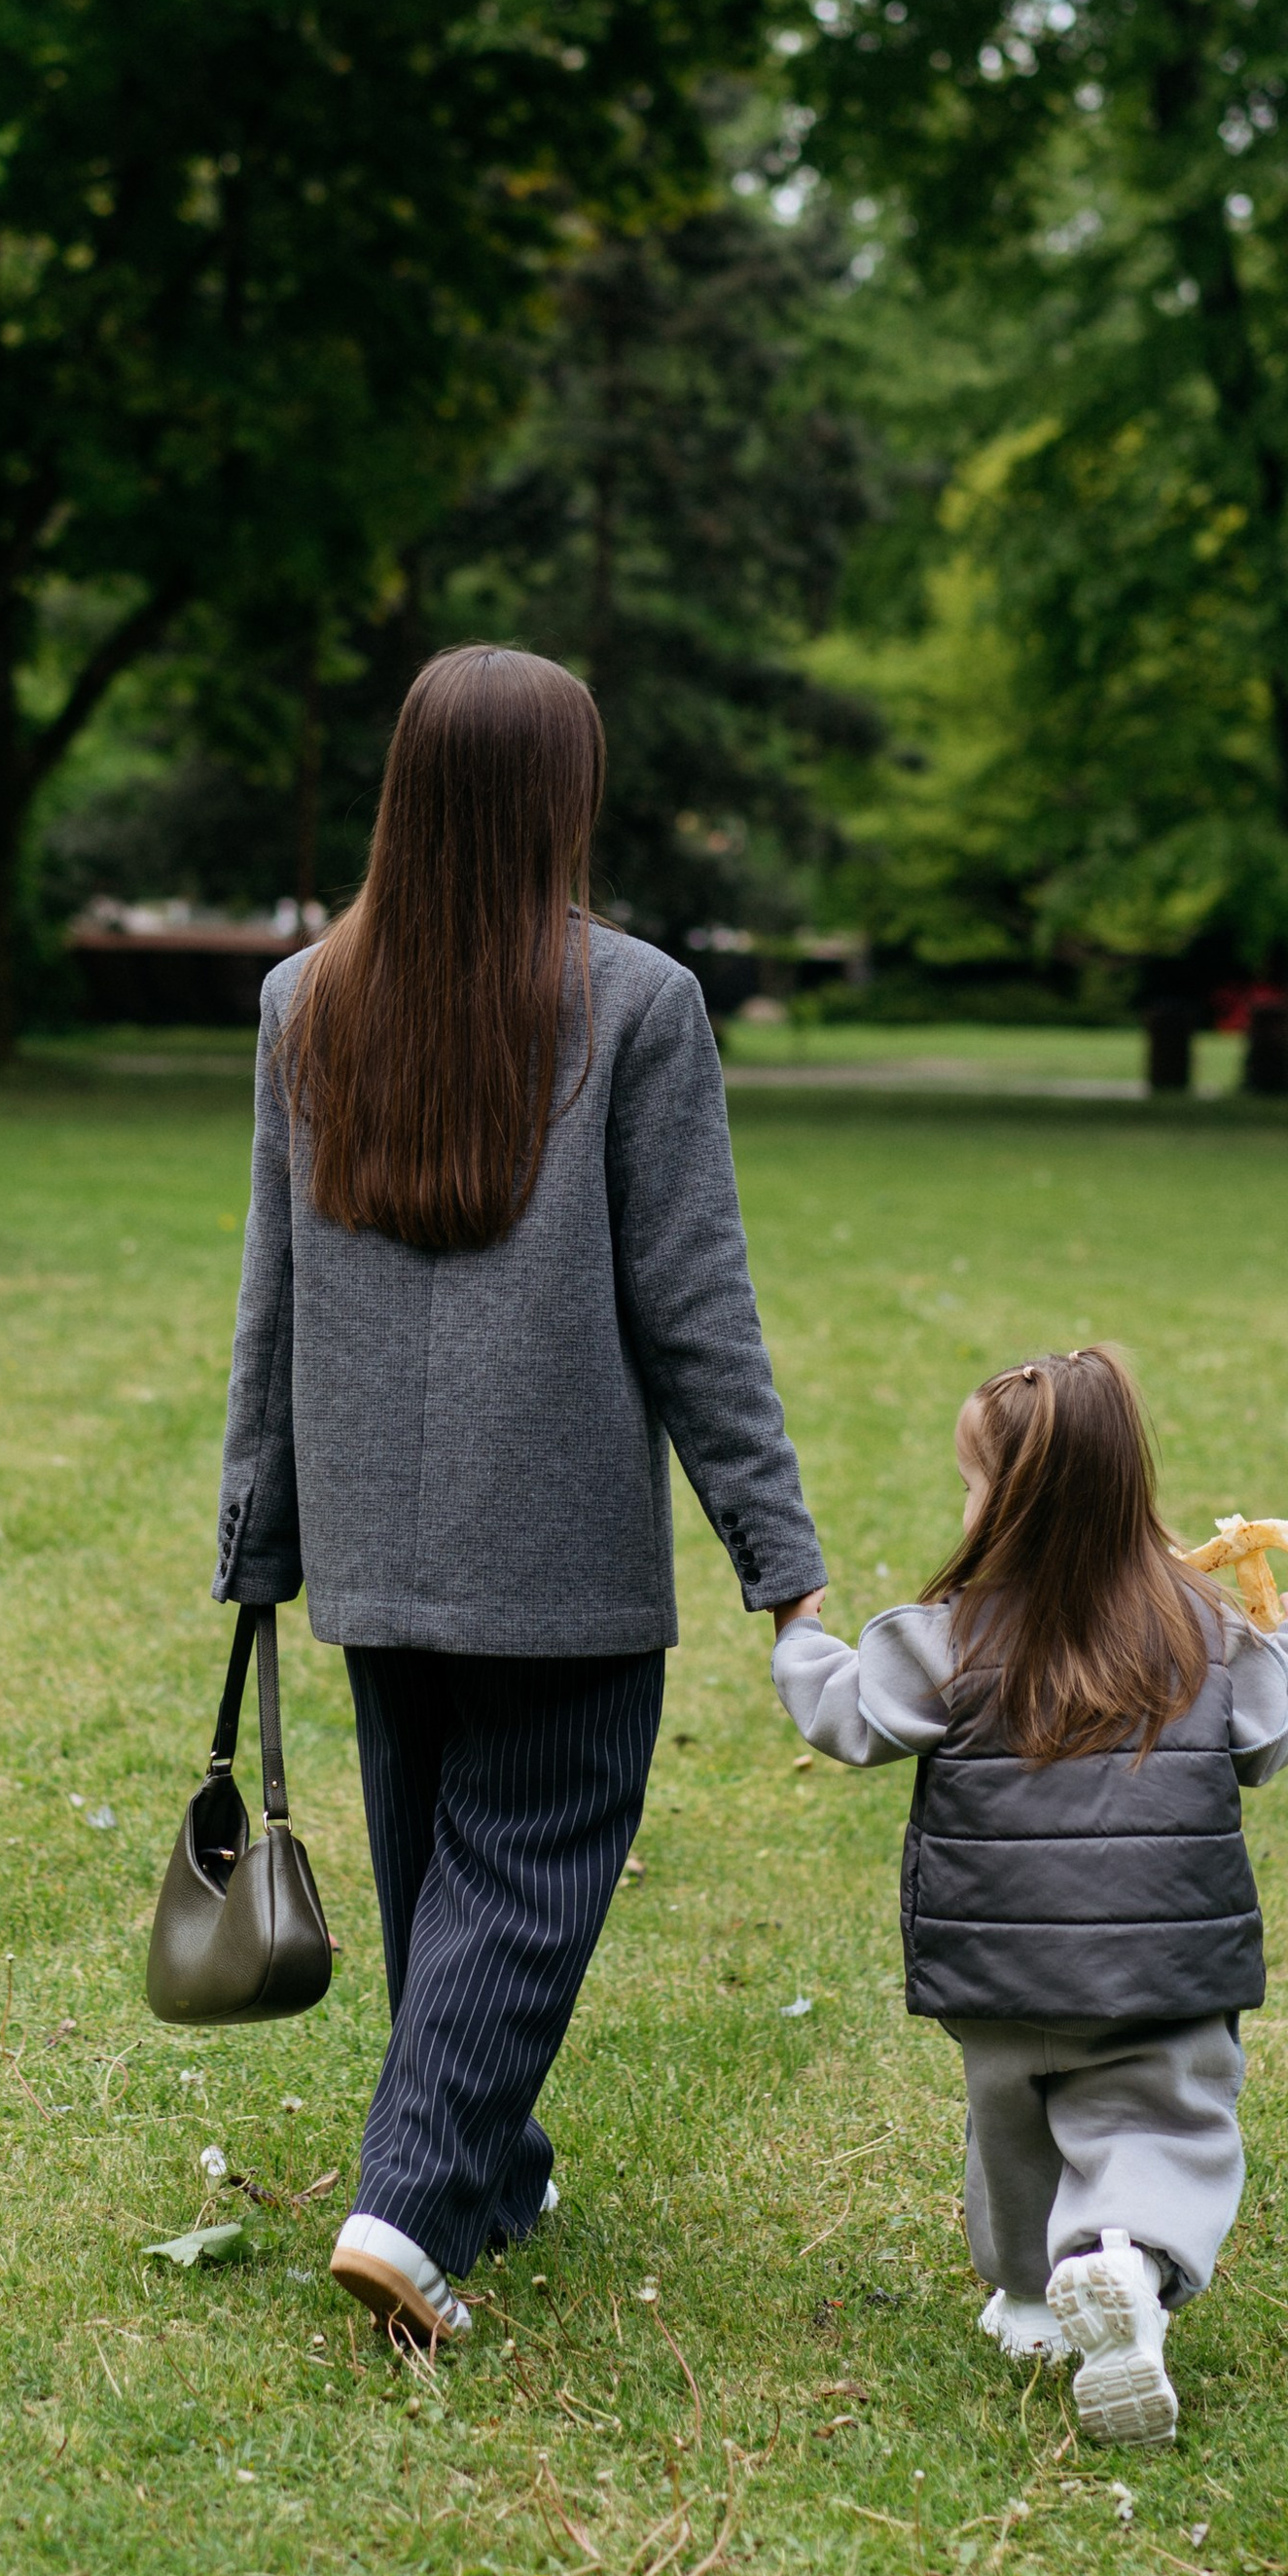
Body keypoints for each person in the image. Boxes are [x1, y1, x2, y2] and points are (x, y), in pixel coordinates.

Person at [213, 644, 827, 2348]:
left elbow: (269, 1300)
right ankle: (411, 2208)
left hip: (375, 1547)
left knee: (443, 1882)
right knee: (528, 1871)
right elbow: (698, 1313)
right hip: (556, 1549)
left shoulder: (304, 997)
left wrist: (260, 1539)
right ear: (564, 798)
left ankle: (487, 2168)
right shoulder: (638, 1002)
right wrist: (786, 1569)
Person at [772, 1346, 1288, 2447]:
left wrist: (798, 1633)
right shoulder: (1209, 1632)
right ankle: (1124, 2257)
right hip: (1159, 1973)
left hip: (999, 1973)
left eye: (972, 1485)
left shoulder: (947, 1640)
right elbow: (1271, 1737)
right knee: (1161, 2126)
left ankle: (1035, 2302)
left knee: (1013, 2135)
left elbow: (846, 1715)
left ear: (1008, 1507)